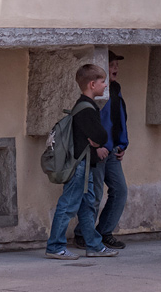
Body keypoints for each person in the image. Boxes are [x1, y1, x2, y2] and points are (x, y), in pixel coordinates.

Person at [45, 64, 118, 259]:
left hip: (85, 166)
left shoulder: (85, 106)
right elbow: (101, 135)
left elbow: (95, 138)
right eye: (103, 82)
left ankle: (94, 245)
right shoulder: (86, 108)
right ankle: (55, 247)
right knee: (68, 205)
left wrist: (94, 140)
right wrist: (96, 140)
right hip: (79, 167)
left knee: (87, 206)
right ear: (92, 84)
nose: (105, 85)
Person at [74, 51, 131, 251]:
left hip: (113, 150)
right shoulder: (93, 96)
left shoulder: (115, 89)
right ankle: (83, 234)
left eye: (116, 65)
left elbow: (120, 118)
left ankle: (104, 231)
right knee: (95, 193)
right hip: (98, 151)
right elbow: (93, 125)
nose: (115, 68)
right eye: (111, 64)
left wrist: (122, 144)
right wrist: (97, 147)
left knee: (120, 190)